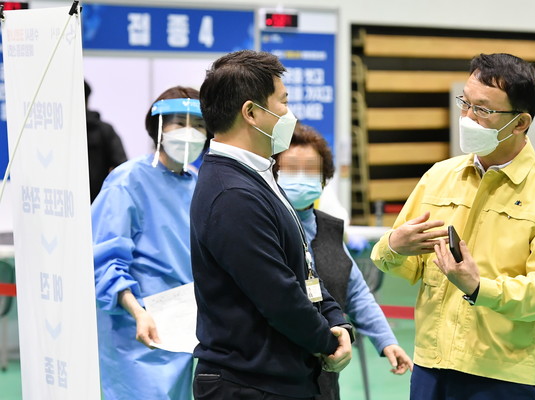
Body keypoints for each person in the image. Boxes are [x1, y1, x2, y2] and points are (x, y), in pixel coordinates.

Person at [371, 53, 535, 400]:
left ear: (520, 122)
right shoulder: (439, 177)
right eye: (465, 104)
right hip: (430, 365)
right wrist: (393, 245)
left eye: (482, 110)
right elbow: (405, 265)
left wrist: (479, 287)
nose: (467, 117)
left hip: (500, 375)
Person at [190, 50, 352, 400]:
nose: (288, 114)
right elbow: (277, 294)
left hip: (277, 377)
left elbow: (301, 265)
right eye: (283, 102)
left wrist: (335, 316)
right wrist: (326, 340)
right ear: (251, 113)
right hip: (248, 384)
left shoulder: (257, 174)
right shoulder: (231, 193)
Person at [274, 123, 413, 400]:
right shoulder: (264, 227)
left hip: (326, 370)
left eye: (311, 169)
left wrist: (386, 341)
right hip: (274, 372)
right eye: (291, 168)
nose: (301, 177)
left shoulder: (329, 229)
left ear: (324, 178)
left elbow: (358, 292)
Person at [92, 86, 209, 400]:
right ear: (158, 127)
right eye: (179, 123)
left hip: (184, 327)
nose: (190, 133)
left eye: (199, 125)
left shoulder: (199, 184)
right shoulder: (126, 181)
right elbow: (104, 262)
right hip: (136, 329)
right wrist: (138, 311)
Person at [84, 80, 127, 202]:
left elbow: (122, 168)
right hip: (97, 202)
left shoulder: (104, 130)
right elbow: (123, 167)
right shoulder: (104, 129)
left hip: (97, 203)